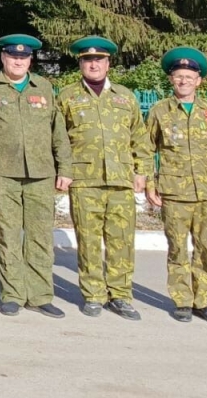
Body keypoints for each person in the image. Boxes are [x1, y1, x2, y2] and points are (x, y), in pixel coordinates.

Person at [0, 34, 72, 318]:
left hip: (41, 173)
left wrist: (65, 169)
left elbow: (57, 131)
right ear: (3, 58)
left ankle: (39, 296)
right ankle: (12, 294)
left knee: (40, 237)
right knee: (9, 236)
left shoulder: (44, 87)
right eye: (13, 56)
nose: (18, 61)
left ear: (30, 60)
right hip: (2, 174)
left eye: (23, 58)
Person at [56, 36, 150, 320]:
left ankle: (120, 295)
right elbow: (58, 139)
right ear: (80, 64)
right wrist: (63, 171)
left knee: (122, 239)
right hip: (84, 180)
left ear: (108, 63)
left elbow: (140, 137)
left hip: (121, 179)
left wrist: (142, 171)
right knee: (88, 240)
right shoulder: (67, 97)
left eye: (99, 60)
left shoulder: (125, 97)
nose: (93, 64)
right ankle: (94, 294)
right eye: (87, 60)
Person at [146, 47, 207, 325]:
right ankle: (182, 301)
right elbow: (147, 149)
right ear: (171, 80)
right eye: (178, 76)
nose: (183, 81)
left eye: (189, 76)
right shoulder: (160, 111)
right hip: (174, 193)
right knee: (178, 249)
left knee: (205, 249)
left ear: (199, 81)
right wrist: (149, 183)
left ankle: (203, 302)